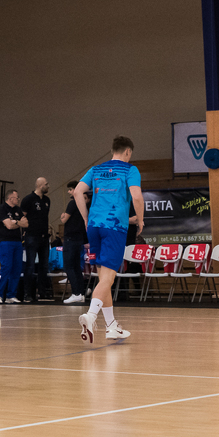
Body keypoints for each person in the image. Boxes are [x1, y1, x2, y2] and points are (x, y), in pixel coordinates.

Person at [74, 136, 144, 343]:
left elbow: (77, 192)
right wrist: (140, 219)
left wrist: (85, 218)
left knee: (104, 277)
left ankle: (111, 325)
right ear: (128, 152)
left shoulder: (95, 169)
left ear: (113, 150)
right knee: (108, 278)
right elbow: (136, 196)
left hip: (94, 226)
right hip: (114, 226)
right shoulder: (130, 170)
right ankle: (91, 315)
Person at [19, 177, 51, 301]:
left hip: (44, 237)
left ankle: (42, 292)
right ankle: (28, 293)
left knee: (44, 266)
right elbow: (22, 217)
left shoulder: (47, 200)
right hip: (32, 236)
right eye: (46, 184)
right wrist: (25, 230)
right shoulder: (28, 199)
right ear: (40, 185)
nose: (48, 186)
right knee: (30, 265)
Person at [58, 179, 87, 304]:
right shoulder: (83, 203)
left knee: (69, 266)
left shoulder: (72, 203)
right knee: (76, 267)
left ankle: (76, 293)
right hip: (79, 239)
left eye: (70, 189)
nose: (69, 192)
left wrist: (63, 215)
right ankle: (81, 292)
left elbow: (64, 219)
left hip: (70, 239)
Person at [0, 189, 24, 303]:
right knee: (6, 267)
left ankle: (11, 295)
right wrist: (18, 223)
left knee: (17, 268)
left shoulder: (18, 210)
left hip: (17, 241)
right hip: (4, 241)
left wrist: (14, 222)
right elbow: (9, 226)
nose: (18, 199)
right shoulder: (2, 209)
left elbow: (26, 223)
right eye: (17, 197)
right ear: (11, 198)